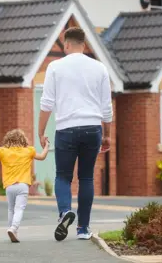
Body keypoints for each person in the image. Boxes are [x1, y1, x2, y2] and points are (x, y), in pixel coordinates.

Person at [38, 27, 113, 241]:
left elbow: (47, 103)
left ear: (67, 44)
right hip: (92, 128)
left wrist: (40, 131)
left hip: (66, 128)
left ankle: (64, 213)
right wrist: (107, 134)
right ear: (85, 44)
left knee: (63, 176)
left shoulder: (55, 67)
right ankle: (83, 229)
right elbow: (106, 107)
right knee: (86, 177)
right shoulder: (100, 68)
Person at [0, 129, 49, 243]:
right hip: (23, 185)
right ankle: (13, 228)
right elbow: (42, 156)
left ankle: (12, 231)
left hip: (10, 186)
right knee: (19, 208)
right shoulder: (29, 151)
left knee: (11, 209)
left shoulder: (3, 151)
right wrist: (47, 146)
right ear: (23, 139)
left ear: (8, 140)